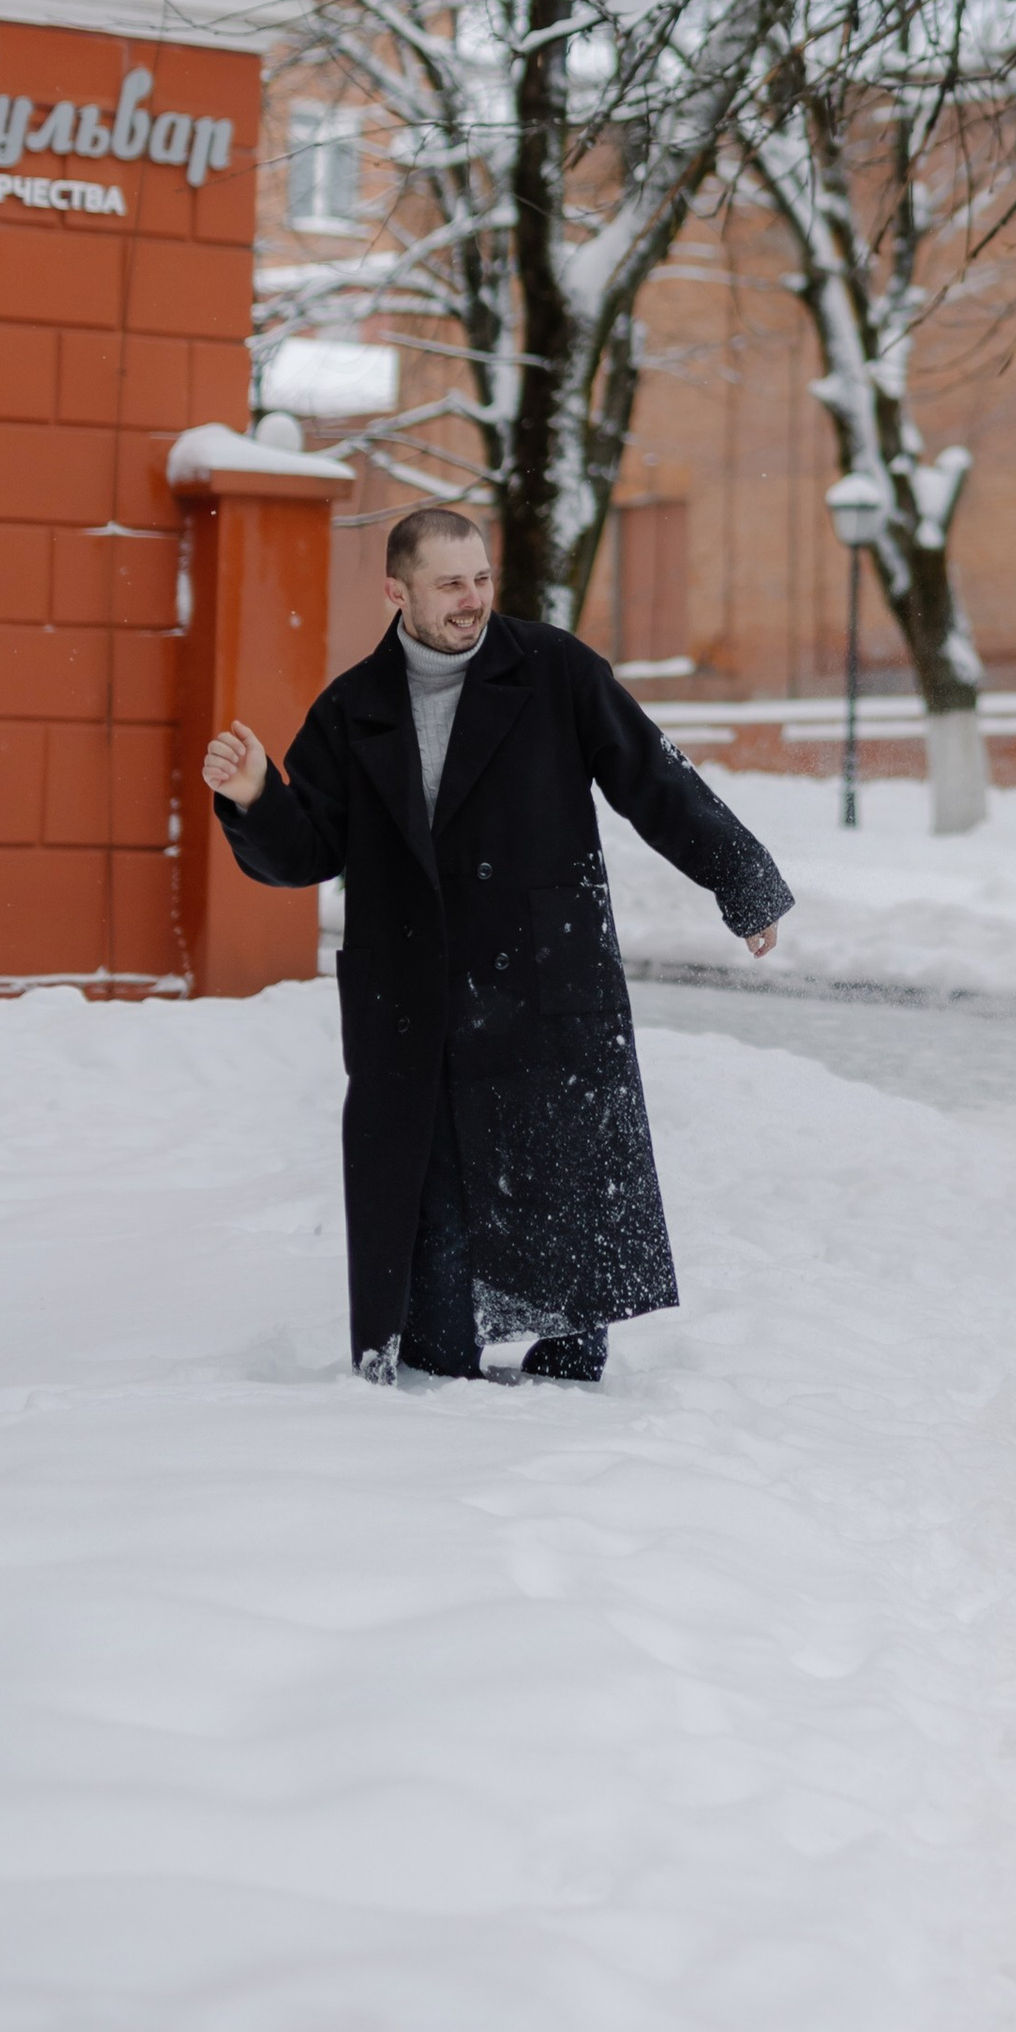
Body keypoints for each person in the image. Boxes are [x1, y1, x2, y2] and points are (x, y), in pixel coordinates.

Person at [203, 506, 793, 1386]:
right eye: (449, 584)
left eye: (481, 579)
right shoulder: (354, 709)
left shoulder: (554, 670)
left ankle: (566, 1378)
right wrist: (258, 797)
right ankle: (440, 1375)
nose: (472, 600)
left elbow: (653, 777)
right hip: (415, 998)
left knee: (557, 1182)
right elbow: (306, 855)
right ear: (398, 591)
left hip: (542, 978)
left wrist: (741, 878)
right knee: (433, 1214)